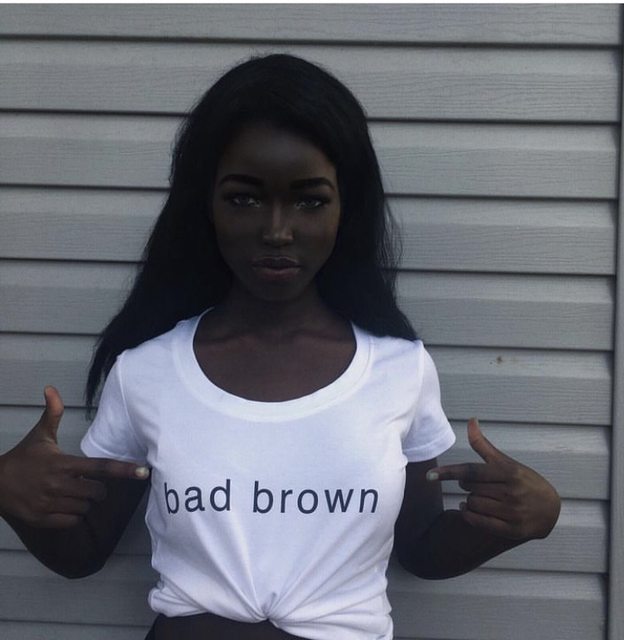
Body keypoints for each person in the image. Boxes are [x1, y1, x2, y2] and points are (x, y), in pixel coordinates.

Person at [0, 54, 561, 640]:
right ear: (205, 204)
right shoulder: (146, 370)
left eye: (309, 200)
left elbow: (421, 548)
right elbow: (84, 552)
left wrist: (514, 523)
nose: (276, 230)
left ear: (346, 207)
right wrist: (12, 493)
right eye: (244, 198)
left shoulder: (400, 369)